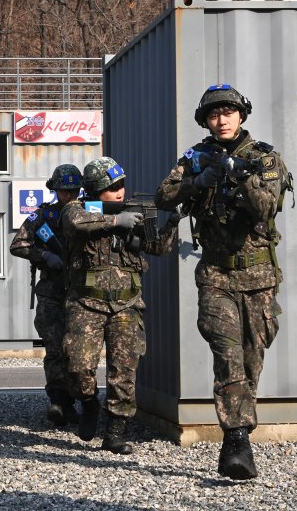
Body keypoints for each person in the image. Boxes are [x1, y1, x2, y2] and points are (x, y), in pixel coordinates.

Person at [154, 84, 291, 479]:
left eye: (228, 112)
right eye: (214, 114)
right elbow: (165, 196)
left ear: (241, 115)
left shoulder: (264, 157)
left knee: (251, 359)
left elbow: (266, 208)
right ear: (206, 120)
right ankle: (236, 442)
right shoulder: (196, 158)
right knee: (227, 354)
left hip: (259, 277)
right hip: (215, 274)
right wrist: (202, 180)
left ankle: (240, 426)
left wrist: (241, 177)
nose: (222, 119)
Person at [61, 157, 179, 454]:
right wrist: (117, 220)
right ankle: (89, 403)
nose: (119, 193)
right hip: (85, 303)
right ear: (95, 191)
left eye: (121, 186)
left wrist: (173, 222)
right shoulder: (77, 209)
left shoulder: (135, 213)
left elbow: (159, 248)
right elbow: (76, 221)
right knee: (78, 369)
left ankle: (115, 433)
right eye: (111, 188)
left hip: (126, 304)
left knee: (123, 370)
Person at [10, 164, 83, 427]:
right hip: (52, 293)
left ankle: (81, 399)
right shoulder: (43, 216)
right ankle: (59, 401)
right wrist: (44, 256)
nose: (69, 195)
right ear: (55, 190)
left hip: (82, 293)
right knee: (54, 349)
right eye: (64, 191)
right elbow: (18, 245)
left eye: (73, 190)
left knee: (78, 352)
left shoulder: (88, 212)